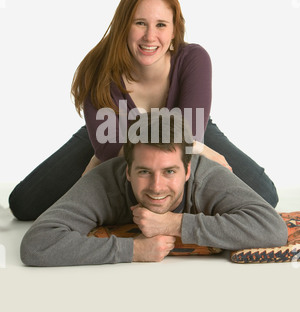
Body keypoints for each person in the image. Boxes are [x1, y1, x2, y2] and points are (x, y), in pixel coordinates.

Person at [9, 0, 278, 222]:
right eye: (140, 23)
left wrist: (200, 147)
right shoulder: (99, 67)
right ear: (124, 26)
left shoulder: (194, 59)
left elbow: (189, 135)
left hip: (188, 136)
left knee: (264, 195)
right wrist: (203, 152)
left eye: (161, 25)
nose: (150, 36)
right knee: (24, 204)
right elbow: (109, 146)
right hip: (111, 132)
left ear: (174, 30)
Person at [20, 112, 287, 267]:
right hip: (109, 125)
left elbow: (273, 229)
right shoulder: (105, 181)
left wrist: (173, 223)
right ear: (127, 171)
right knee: (22, 202)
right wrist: (134, 250)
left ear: (188, 170)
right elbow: (36, 244)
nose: (157, 187)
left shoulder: (207, 176)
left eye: (169, 171)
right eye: (144, 172)